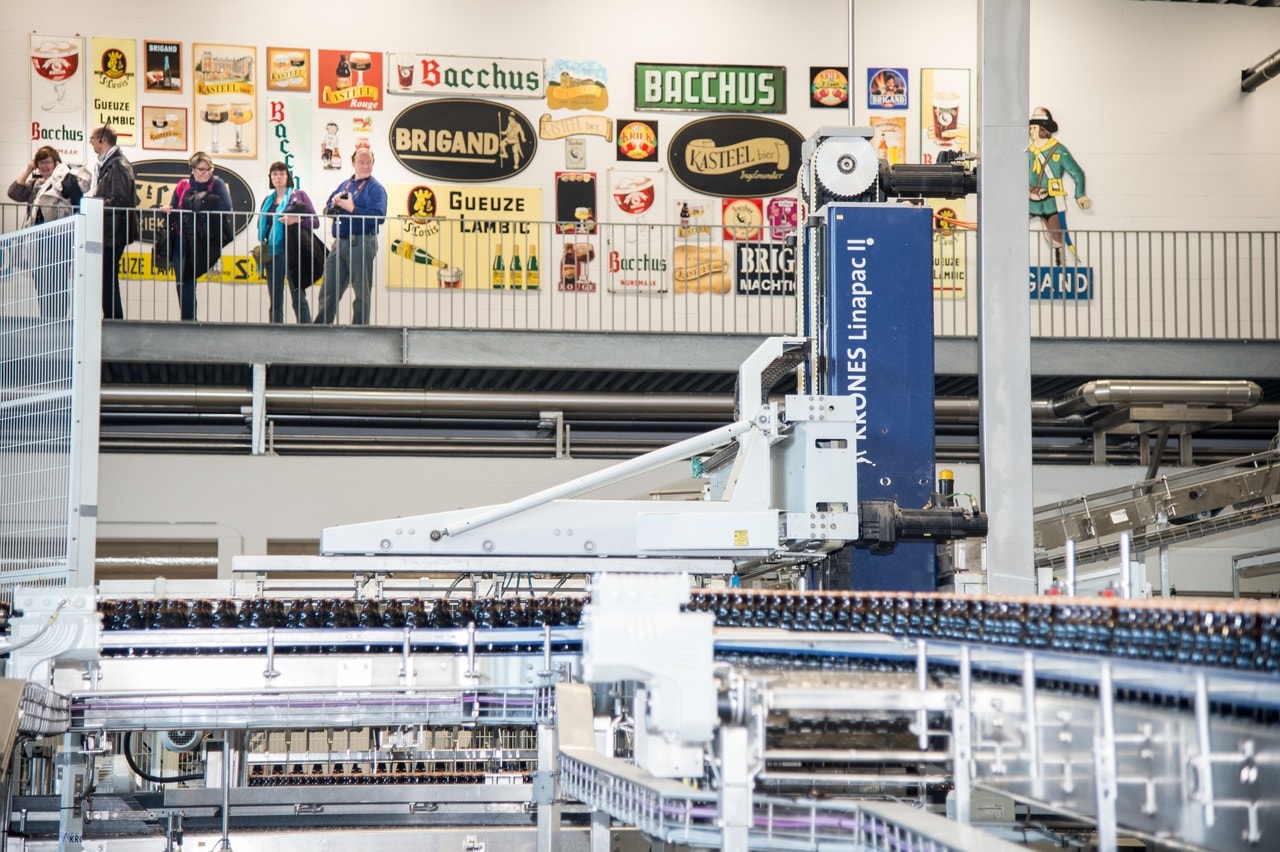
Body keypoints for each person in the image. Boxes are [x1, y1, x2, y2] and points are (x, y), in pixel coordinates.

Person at [7, 145, 84, 317]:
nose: (44, 167)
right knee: (41, 284)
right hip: (38, 244)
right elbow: (13, 193)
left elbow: (79, 200)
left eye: (48, 162)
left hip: (59, 242)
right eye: (40, 163)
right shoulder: (35, 185)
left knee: (58, 285)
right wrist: (28, 169)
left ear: (56, 162)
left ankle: (60, 322)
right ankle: (46, 321)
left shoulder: (65, 181)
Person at [314, 148, 386, 325]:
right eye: (361, 162)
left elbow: (379, 216)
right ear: (353, 163)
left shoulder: (376, 188)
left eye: (369, 162)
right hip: (341, 241)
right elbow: (328, 205)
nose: (365, 165)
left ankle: (360, 332)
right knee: (328, 289)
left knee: (362, 292)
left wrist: (352, 208)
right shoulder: (345, 185)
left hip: (362, 241)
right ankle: (321, 329)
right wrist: (334, 204)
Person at [162, 151, 232, 321]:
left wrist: (203, 202)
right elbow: (174, 209)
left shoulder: (217, 184)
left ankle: (189, 319)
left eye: (209, 169)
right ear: (192, 169)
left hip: (204, 239)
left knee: (189, 276)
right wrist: (166, 211)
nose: (206, 172)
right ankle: (188, 318)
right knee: (182, 279)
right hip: (181, 237)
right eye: (201, 169)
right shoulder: (182, 185)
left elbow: (226, 206)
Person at [256, 161, 318, 323]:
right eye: (274, 174)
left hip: (294, 252)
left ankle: (307, 333)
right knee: (275, 300)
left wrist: (296, 220)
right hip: (273, 252)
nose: (278, 177)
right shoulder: (267, 201)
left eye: (282, 173)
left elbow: (315, 221)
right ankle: (275, 332)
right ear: (270, 178)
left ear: (288, 176)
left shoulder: (299, 195)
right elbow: (263, 226)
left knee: (298, 297)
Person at [1028, 106, 1091, 266]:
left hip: (1051, 203)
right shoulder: (1028, 152)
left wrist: (1080, 194)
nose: (1031, 131)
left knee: (1057, 239)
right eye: (1030, 128)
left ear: (1043, 129)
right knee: (1011, 224)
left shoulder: (1059, 151)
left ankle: (1059, 270)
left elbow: (1077, 173)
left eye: (1034, 127)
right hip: (1030, 201)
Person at [88, 125, 137, 319]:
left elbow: (120, 199)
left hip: (114, 232)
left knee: (107, 279)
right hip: (111, 231)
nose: (90, 142)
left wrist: (93, 206)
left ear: (102, 140)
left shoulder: (118, 165)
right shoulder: (111, 164)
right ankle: (113, 319)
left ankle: (115, 320)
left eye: (92, 138)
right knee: (106, 278)